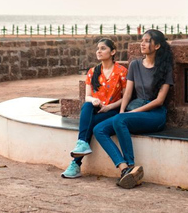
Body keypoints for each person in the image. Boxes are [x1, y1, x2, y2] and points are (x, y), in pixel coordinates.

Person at [92, 29, 174, 189]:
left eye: (147, 41)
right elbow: (128, 93)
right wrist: (122, 113)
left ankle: (130, 164)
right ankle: (124, 169)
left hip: (155, 114)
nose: (142, 44)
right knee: (99, 129)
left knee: (120, 120)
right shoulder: (135, 64)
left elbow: (159, 100)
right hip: (133, 109)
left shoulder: (164, 68)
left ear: (156, 46)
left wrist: (130, 114)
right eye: (141, 40)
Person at [61, 38, 128, 179]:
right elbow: (87, 96)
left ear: (113, 52)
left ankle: (76, 163)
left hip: (112, 110)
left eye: (103, 48)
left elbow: (126, 97)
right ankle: (82, 144)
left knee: (89, 123)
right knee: (87, 105)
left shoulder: (121, 72)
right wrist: (95, 100)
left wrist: (109, 106)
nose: (99, 51)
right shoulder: (93, 72)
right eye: (98, 48)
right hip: (96, 109)